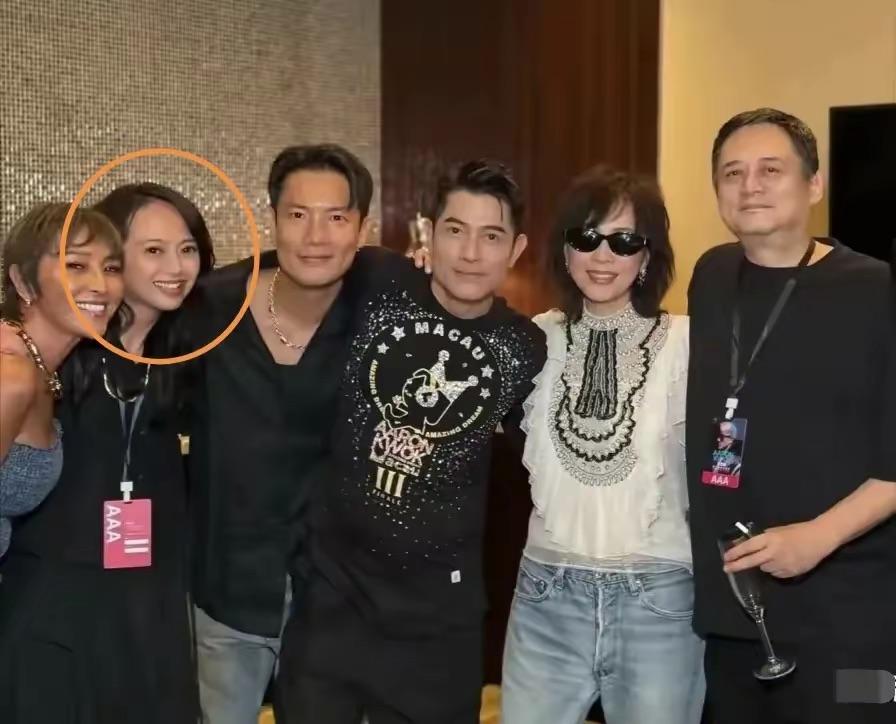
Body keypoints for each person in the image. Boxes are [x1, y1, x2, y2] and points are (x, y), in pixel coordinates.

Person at [276, 160, 547, 724]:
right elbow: (283, 272)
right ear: (428, 233)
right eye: (455, 230)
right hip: (332, 607)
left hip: (438, 627)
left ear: (515, 249)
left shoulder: (525, 346)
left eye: (491, 236)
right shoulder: (378, 280)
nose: (469, 253)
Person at [686, 108, 896, 724]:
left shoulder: (876, 291)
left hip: (848, 614)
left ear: (814, 184)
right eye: (732, 173)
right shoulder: (711, 275)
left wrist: (817, 538)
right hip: (733, 608)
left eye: (770, 170)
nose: (749, 186)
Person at [0, 183, 214, 724]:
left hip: (142, 620)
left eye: (187, 249)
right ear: (24, 281)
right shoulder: (25, 367)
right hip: (45, 621)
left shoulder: (181, 359)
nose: (175, 267)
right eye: (153, 250)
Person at [500, 166, 705, 724]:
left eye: (625, 241)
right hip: (545, 596)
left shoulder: (688, 343)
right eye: (587, 238)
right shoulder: (532, 338)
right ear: (565, 250)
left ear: (648, 256)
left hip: (657, 601)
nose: (603, 256)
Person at [188, 143, 376, 724]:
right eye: (298, 214)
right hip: (226, 589)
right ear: (272, 218)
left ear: (361, 228)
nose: (315, 236)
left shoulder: (385, 314)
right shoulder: (212, 305)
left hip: (335, 600)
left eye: (336, 216)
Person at [1, 202, 124, 559]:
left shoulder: (38, 366)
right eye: (76, 265)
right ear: (23, 281)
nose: (100, 285)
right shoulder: (11, 374)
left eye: (111, 268)